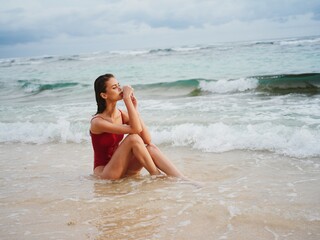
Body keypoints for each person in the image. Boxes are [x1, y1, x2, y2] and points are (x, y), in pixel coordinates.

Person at [90, 73, 184, 180]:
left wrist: (134, 111)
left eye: (119, 85)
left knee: (150, 148)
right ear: (104, 95)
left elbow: (147, 139)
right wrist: (127, 100)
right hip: (106, 174)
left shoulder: (121, 114)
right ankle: (156, 174)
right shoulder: (98, 122)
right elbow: (135, 130)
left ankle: (182, 178)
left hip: (122, 166)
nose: (120, 89)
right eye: (114, 87)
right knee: (133, 138)